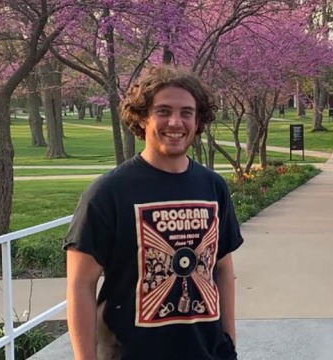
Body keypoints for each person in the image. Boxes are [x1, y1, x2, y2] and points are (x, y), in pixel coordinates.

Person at [63, 64, 244, 360]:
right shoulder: (108, 193)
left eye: (186, 112)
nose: (176, 121)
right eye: (163, 111)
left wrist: (228, 344)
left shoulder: (213, 187)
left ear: (198, 121)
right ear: (143, 118)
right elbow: (80, 285)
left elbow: (223, 269)